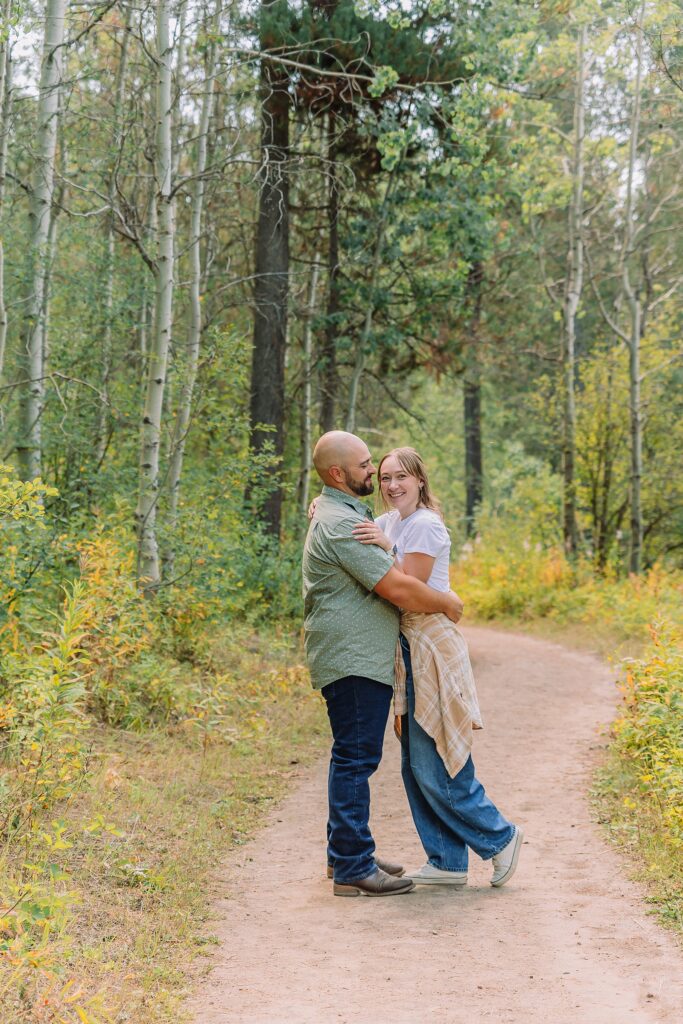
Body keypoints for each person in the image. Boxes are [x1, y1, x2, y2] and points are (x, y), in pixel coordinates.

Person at [302, 431, 466, 897]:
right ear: (338, 474)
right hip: (353, 656)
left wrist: (320, 501)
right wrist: (448, 604)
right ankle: (353, 866)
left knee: (351, 755)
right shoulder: (340, 523)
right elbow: (397, 587)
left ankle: (346, 854)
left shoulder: (343, 511)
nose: (372, 473)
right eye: (365, 465)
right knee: (356, 758)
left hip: (358, 654)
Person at [352, 446, 523, 888]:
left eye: (401, 477)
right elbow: (358, 524)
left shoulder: (424, 525)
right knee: (414, 762)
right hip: (407, 645)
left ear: (420, 481)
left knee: (437, 759)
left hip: (430, 643)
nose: (391, 486)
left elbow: (410, 586)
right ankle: (447, 860)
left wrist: (390, 547)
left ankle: (500, 838)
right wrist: (320, 503)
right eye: (385, 477)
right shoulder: (392, 520)